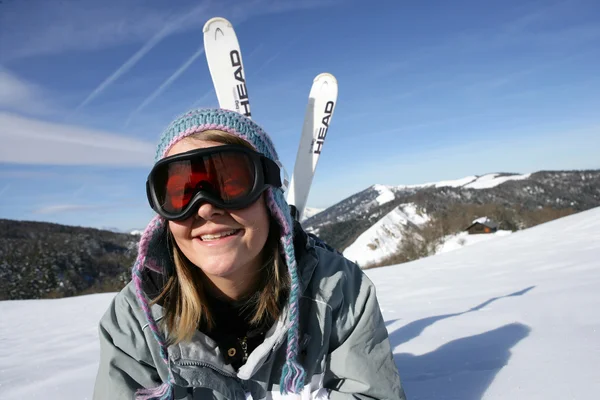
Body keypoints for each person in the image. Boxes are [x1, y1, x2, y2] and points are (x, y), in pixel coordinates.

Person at [93, 108, 406, 400]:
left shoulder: (340, 291)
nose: (204, 207)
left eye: (231, 184)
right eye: (181, 193)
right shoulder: (134, 320)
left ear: (271, 198)